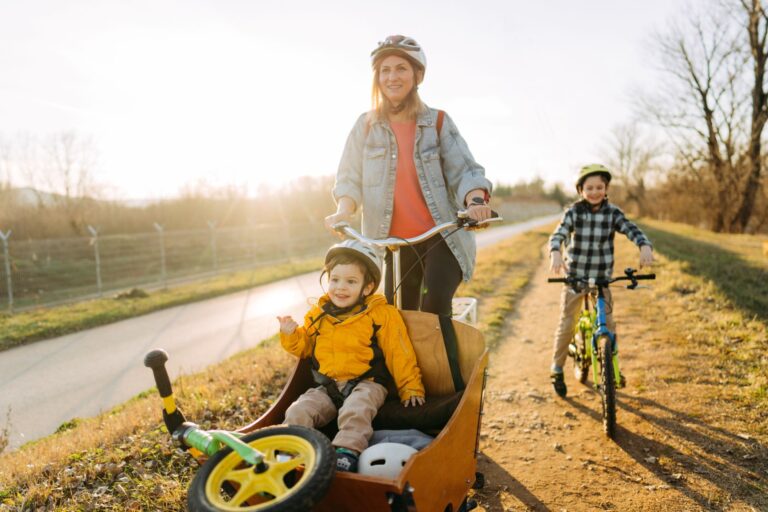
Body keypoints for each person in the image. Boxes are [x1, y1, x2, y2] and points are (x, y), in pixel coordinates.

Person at [324, 34, 493, 390]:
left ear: (417, 75)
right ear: (377, 77)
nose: (392, 76)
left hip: (441, 234)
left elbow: (465, 170)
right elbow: (349, 178)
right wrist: (344, 210)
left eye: (401, 68)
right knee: (395, 318)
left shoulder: (438, 122)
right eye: (385, 70)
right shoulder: (365, 125)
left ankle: (448, 389)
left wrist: (476, 201)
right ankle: (405, 386)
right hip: (392, 242)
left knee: (433, 311)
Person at [277, 239, 425, 473]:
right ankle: (287, 453)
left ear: (367, 288)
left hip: (368, 383)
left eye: (351, 281)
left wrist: (410, 387)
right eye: (334, 280)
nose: (340, 287)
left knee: (356, 410)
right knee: (299, 410)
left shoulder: (381, 314)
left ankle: (346, 452)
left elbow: (400, 352)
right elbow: (305, 349)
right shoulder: (318, 314)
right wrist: (291, 335)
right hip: (328, 386)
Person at [548, 164, 654, 398]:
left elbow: (631, 229)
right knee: (567, 324)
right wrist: (555, 251)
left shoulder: (612, 213)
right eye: (589, 187)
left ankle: (612, 368)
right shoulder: (574, 212)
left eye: (599, 187)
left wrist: (644, 245)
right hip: (576, 278)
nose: (594, 191)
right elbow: (559, 234)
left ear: (606, 189)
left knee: (610, 325)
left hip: (602, 279)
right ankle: (556, 368)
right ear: (581, 190)